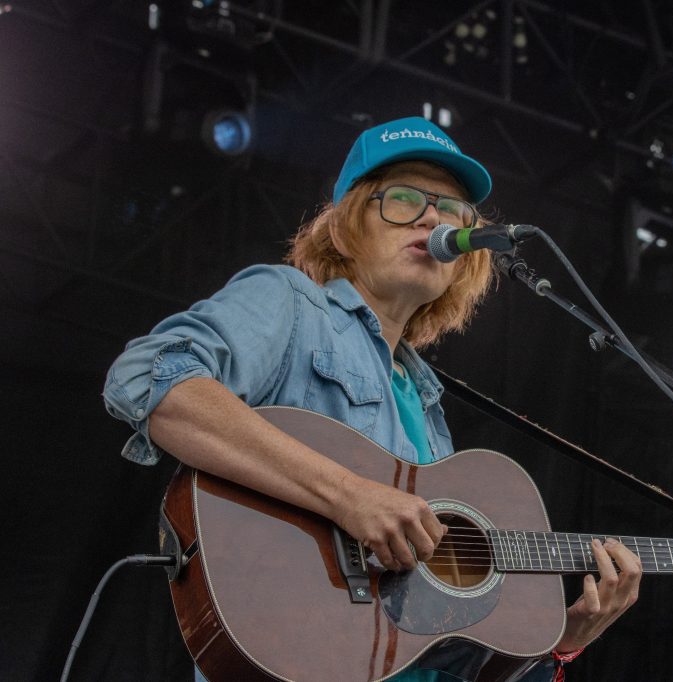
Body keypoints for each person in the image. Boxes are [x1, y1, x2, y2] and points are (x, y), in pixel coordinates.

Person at [103, 116, 642, 681]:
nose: (433, 218)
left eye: (452, 209)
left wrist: (560, 642)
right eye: (404, 199)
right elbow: (149, 377)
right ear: (344, 230)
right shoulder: (292, 303)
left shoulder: (429, 413)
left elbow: (443, 650)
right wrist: (348, 494)